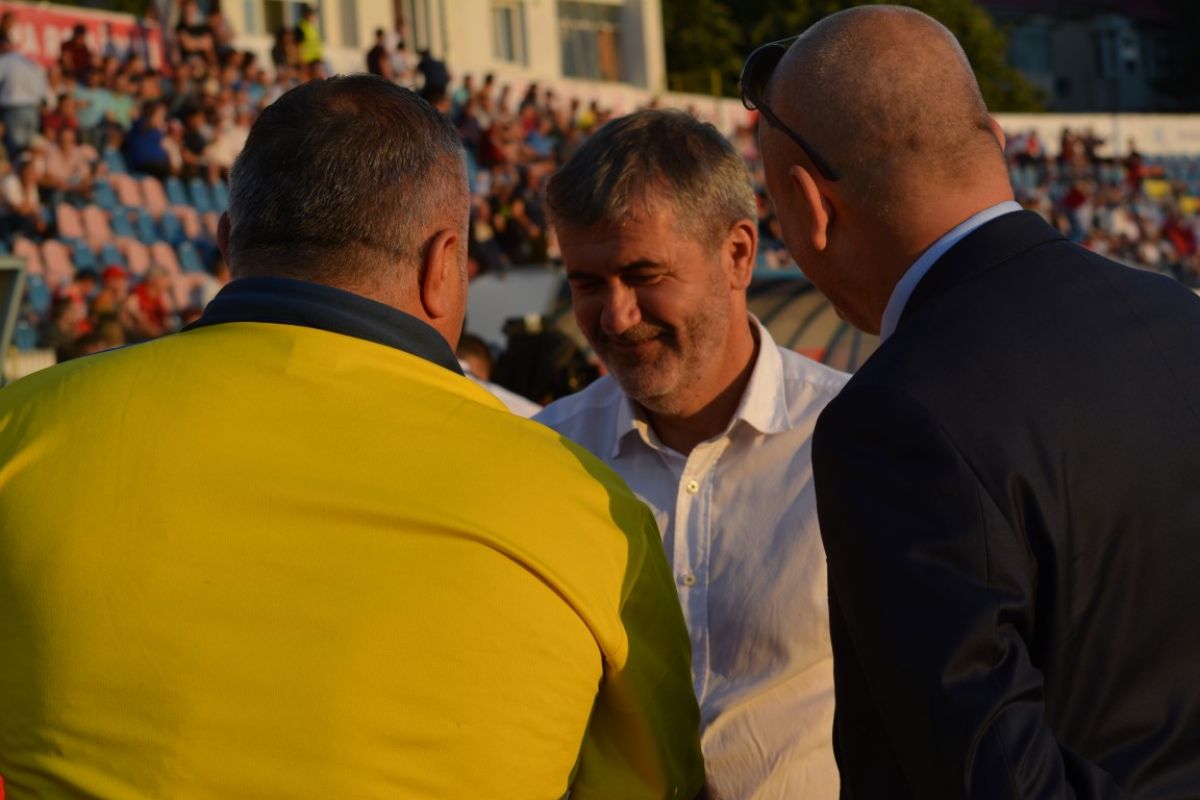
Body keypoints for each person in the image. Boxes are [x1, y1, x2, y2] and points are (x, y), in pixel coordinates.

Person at [0, 74, 704, 799]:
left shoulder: (19, 431)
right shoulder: (589, 509)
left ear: (227, 243)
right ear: (442, 266)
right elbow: (655, 785)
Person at [751, 6, 1200, 797]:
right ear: (993, 138)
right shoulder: (1179, 315)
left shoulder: (892, 416)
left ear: (810, 206)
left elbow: (991, 774)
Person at [535, 109, 849, 798]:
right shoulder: (544, 456)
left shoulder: (858, 441)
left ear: (738, 254)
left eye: (644, 275)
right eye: (587, 284)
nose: (616, 316)